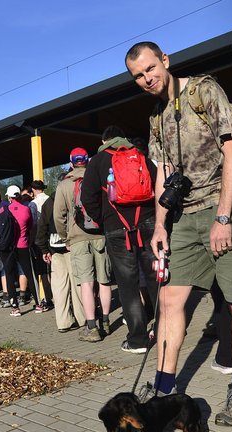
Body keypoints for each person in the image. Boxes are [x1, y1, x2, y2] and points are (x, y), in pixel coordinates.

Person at [127, 41, 232, 426]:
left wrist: (223, 217)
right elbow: (162, 174)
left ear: (165, 61)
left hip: (228, 207)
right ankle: (163, 386)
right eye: (138, 76)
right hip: (184, 217)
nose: (147, 79)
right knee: (170, 301)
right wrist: (159, 225)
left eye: (151, 69)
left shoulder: (204, 90)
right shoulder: (156, 117)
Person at [81, 125, 158, 354]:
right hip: (148, 225)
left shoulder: (97, 161)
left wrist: (103, 219)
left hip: (116, 230)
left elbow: (88, 198)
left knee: (128, 285)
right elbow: (157, 185)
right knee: (156, 280)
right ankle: (167, 331)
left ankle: (137, 340)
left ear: (104, 140)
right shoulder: (141, 155)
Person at [54, 147, 113, 342]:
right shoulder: (97, 178)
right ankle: (105, 321)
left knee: (86, 283)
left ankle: (91, 327)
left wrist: (66, 238)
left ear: (71, 163)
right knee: (104, 280)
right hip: (100, 235)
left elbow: (58, 216)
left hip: (78, 238)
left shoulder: (64, 185)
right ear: (87, 161)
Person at [37, 171, 84, 332]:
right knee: (77, 284)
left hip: (54, 249)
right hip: (73, 246)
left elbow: (41, 227)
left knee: (59, 287)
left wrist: (44, 249)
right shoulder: (73, 197)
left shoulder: (48, 203)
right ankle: (82, 318)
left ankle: (63, 322)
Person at [0, 185, 37, 316]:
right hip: (23, 245)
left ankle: (15, 307)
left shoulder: (4, 209)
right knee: (29, 274)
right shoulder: (26, 209)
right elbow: (31, 227)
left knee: (9, 275)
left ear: (9, 196)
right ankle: (38, 304)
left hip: (8, 248)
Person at [29, 180, 53, 313]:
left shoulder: (33, 204)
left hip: (41, 240)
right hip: (54, 238)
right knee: (55, 270)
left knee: (43, 271)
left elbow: (33, 224)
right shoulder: (51, 199)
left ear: (33, 190)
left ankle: (48, 298)